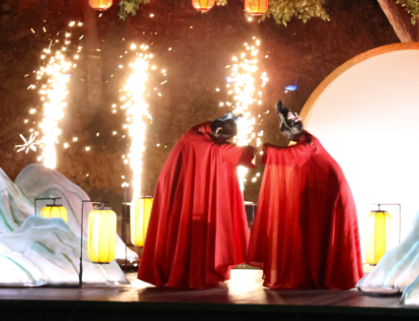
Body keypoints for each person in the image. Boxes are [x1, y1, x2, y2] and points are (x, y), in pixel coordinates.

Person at [247, 101, 363, 290]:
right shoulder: (307, 141)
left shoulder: (308, 143)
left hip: (332, 195)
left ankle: (325, 277)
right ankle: (317, 276)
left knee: (326, 234)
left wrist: (270, 151)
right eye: (292, 117)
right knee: (316, 234)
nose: (296, 116)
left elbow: (292, 155)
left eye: (294, 115)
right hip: (324, 194)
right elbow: (292, 155)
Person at [138, 115, 256, 289]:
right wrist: (244, 152)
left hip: (189, 187)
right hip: (181, 190)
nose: (224, 142)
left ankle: (205, 272)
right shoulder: (196, 138)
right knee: (183, 230)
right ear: (218, 131)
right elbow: (216, 149)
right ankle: (184, 274)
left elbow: (216, 148)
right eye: (224, 138)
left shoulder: (205, 133)